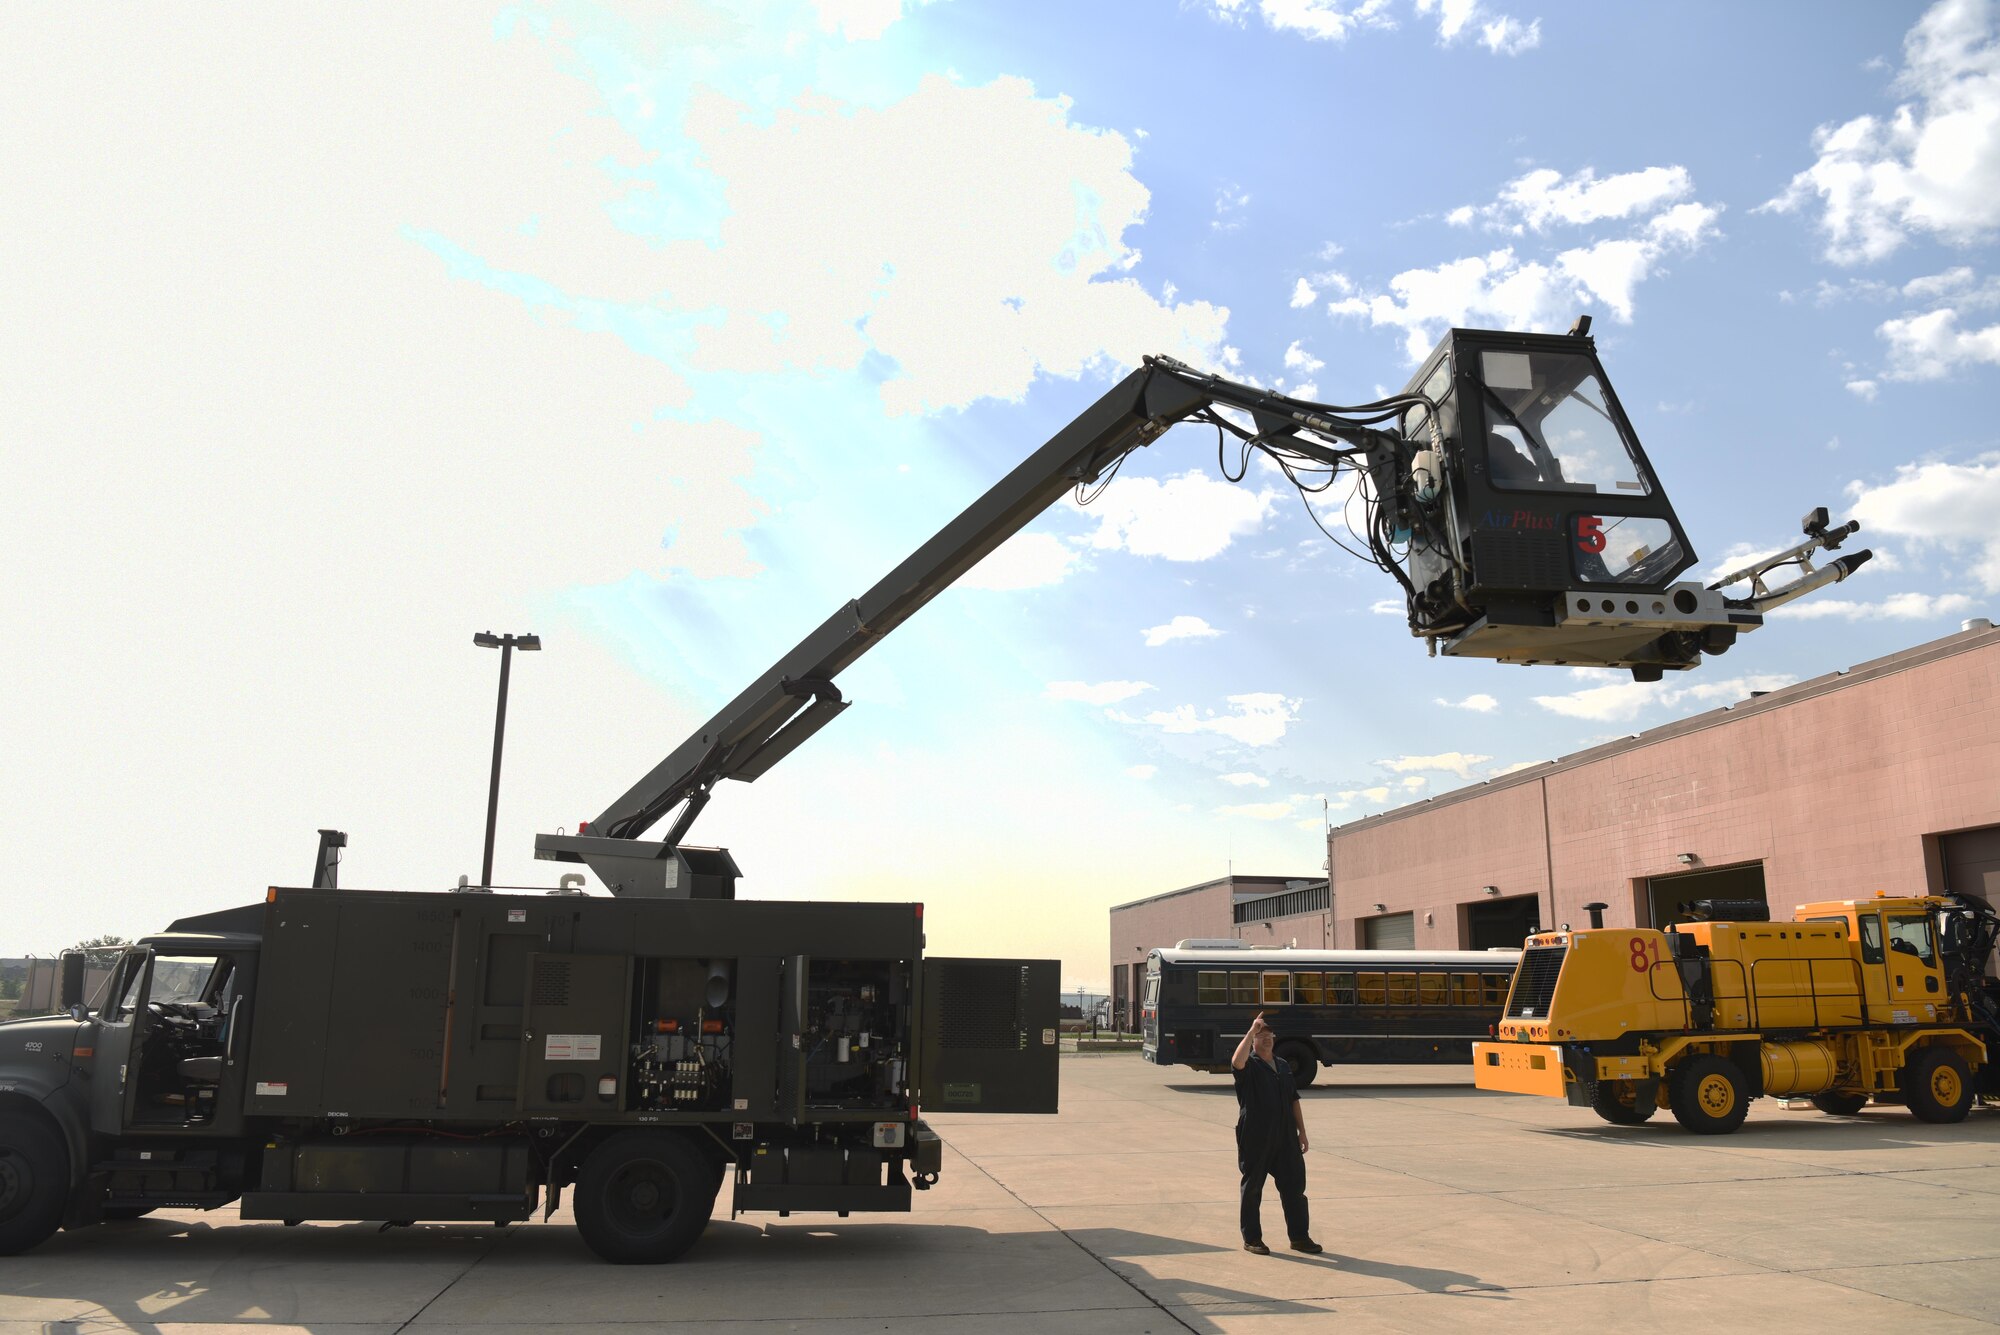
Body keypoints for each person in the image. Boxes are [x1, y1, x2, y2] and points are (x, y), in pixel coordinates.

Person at [1231, 1012, 1319, 1255]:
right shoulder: (1249, 1066)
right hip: (1256, 1136)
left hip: (1286, 1136)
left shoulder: (1282, 1065)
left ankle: (1300, 1237)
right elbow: (1236, 1062)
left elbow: (1293, 1100)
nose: (1267, 1039)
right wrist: (1251, 1031)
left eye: (1270, 1035)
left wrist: (1302, 1132)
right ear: (1254, 1041)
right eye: (1262, 1035)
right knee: (1252, 1189)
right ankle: (1252, 1238)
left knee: (1295, 1188)